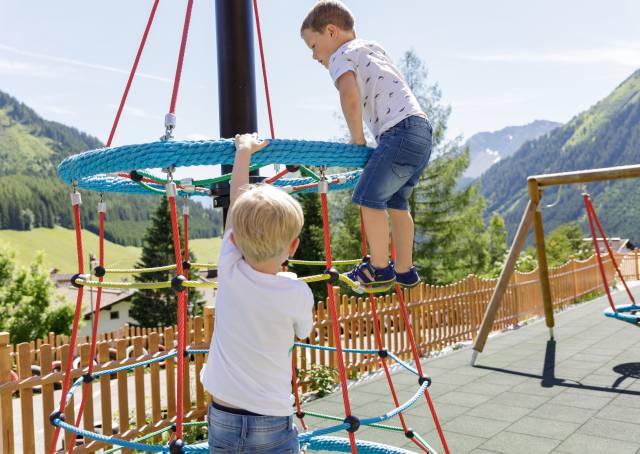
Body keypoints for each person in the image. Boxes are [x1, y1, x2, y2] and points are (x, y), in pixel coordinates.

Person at [301, 1, 432, 291]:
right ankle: (405, 269)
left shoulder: (340, 56)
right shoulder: (371, 47)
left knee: (367, 197)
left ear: (331, 32)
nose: (313, 56)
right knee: (398, 203)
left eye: (313, 46)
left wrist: (357, 137)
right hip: (421, 130)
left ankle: (379, 268)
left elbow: (349, 95)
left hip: (398, 133)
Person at [200, 133, 314, 453]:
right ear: (293, 247)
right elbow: (304, 332)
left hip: (222, 411)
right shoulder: (297, 292)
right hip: (271, 416)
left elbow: (237, 204)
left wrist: (244, 153)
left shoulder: (229, 268)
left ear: (234, 240)